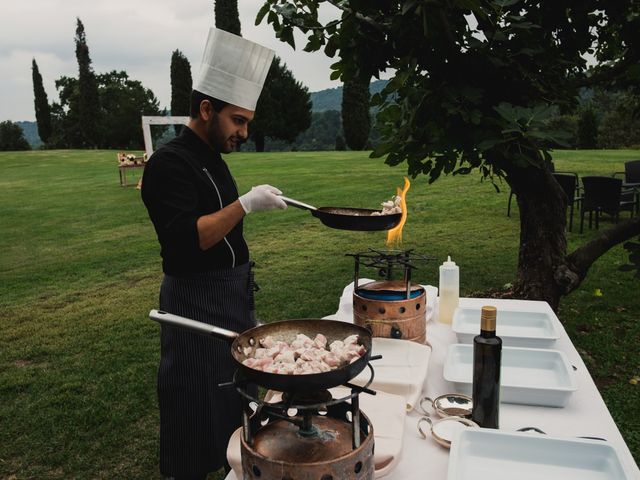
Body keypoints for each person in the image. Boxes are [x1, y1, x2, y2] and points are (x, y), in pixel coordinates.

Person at [141, 28, 286, 480]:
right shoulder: (168, 163)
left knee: (235, 401)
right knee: (194, 405)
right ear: (207, 109)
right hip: (195, 307)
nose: (243, 132)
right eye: (237, 120)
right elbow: (188, 239)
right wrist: (245, 204)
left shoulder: (213, 158)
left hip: (229, 301)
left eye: (246, 123)